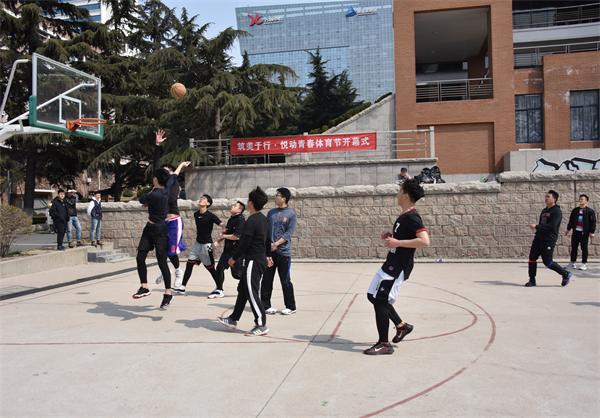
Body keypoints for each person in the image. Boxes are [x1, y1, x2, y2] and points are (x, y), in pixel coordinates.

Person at [364, 178, 430, 355]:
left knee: (380, 300)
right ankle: (401, 326)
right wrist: (392, 237)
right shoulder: (404, 216)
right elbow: (403, 239)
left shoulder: (412, 217)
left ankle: (384, 344)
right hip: (390, 264)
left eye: (400, 191)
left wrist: (398, 242)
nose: (398, 193)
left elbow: (424, 241)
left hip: (398, 267)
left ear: (406, 195)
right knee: (372, 296)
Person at [218, 187, 272, 336]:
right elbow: (268, 239)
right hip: (259, 259)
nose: (247, 202)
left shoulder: (252, 220)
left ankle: (261, 324)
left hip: (253, 261)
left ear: (251, 203)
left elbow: (244, 242)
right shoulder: (263, 219)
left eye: (248, 200)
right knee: (243, 290)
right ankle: (233, 319)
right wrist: (268, 256)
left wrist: (233, 257)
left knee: (251, 292)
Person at [152, 128, 192, 289]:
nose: (165, 172)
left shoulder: (173, 183)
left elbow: (174, 173)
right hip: (162, 222)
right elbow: (156, 166)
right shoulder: (159, 186)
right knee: (161, 250)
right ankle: (165, 270)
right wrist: (157, 145)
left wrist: (181, 165)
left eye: (167, 171)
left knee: (172, 251)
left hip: (174, 221)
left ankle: (178, 272)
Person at [132, 169, 173, 310]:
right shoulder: (166, 189)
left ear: (156, 179)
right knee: (140, 257)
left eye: (154, 177)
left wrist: (149, 196)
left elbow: (141, 200)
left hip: (160, 230)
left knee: (162, 262)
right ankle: (144, 286)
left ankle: (168, 293)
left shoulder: (155, 194)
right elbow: (173, 176)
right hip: (149, 229)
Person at [172, 194, 222, 295]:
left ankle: (220, 289)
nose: (201, 199)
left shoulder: (211, 216)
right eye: (201, 198)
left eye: (204, 199)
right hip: (197, 244)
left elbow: (223, 226)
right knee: (189, 264)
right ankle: (182, 287)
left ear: (208, 203)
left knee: (211, 269)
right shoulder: (196, 214)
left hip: (206, 246)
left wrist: (219, 240)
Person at [261, 187, 297, 315]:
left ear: (284, 198)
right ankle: (265, 305)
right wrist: (268, 246)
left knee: (285, 280)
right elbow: (266, 230)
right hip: (270, 252)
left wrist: (276, 244)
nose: (275, 197)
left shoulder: (291, 214)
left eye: (278, 195)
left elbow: (289, 233)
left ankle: (291, 306)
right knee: (266, 279)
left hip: (284, 253)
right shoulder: (271, 213)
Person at [525, 190, 573, 287]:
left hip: (549, 240)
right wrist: (537, 229)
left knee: (547, 262)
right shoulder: (544, 210)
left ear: (554, 199)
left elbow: (552, 226)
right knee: (532, 259)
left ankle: (565, 274)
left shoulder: (557, 211)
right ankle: (532, 280)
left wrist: (536, 226)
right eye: (545, 196)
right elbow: (542, 224)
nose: (546, 198)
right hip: (538, 238)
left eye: (548, 197)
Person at [212, 201, 246, 299]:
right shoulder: (231, 219)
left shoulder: (241, 220)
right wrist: (218, 241)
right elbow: (227, 232)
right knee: (219, 268)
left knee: (236, 274)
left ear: (239, 210)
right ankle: (219, 290)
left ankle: (250, 283)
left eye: (235, 206)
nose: (232, 206)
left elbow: (236, 236)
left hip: (236, 252)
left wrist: (223, 236)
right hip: (227, 250)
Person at [566, 194, 596, 271]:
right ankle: (572, 263)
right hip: (576, 232)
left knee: (584, 248)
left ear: (586, 201)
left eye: (582, 199)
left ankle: (584, 264)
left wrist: (592, 232)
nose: (581, 200)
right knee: (574, 248)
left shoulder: (590, 211)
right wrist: (568, 229)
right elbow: (571, 220)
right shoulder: (575, 210)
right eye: (580, 199)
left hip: (584, 233)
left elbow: (593, 222)